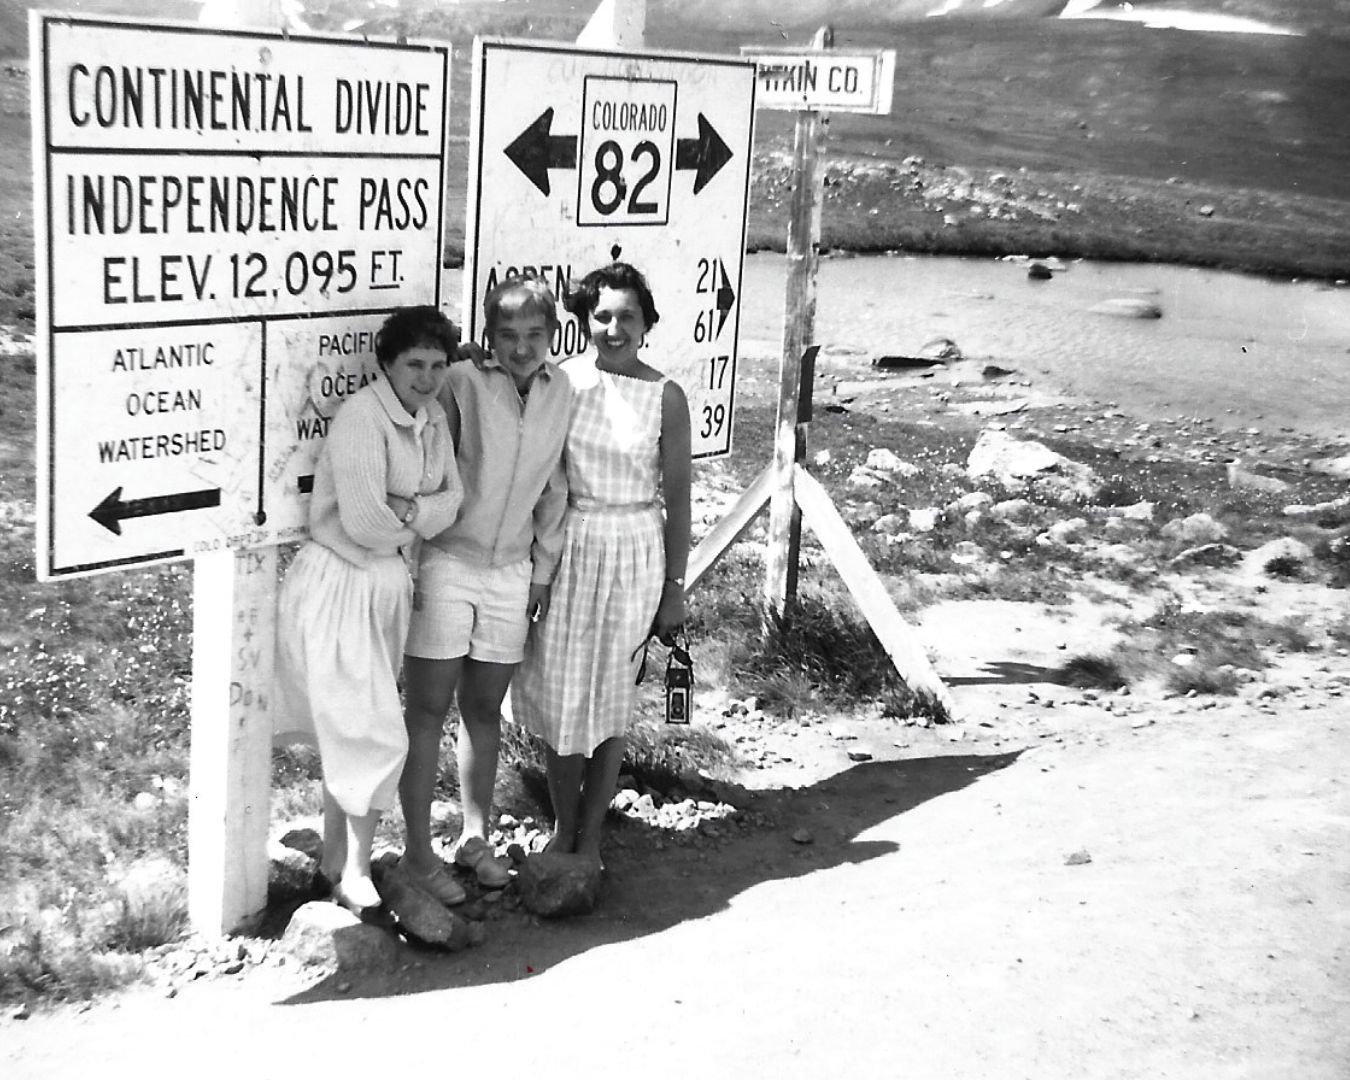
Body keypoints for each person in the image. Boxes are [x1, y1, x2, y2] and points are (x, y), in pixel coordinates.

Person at [274, 305, 463, 918]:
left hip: (386, 583)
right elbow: (361, 521)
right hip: (341, 581)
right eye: (415, 364)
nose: (428, 377)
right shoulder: (361, 418)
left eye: (438, 364)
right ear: (388, 363)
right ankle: (356, 874)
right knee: (374, 728)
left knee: (357, 725)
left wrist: (405, 511)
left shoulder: (432, 419)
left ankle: (333, 861)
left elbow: (453, 501)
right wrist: (415, 515)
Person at [398, 275, 572, 903]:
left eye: (534, 334)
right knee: (425, 711)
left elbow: (556, 491)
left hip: (512, 573)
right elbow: (425, 449)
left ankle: (475, 838)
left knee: (482, 711)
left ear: (553, 335)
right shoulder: (464, 381)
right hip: (448, 561)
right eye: (507, 334)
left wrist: (543, 572)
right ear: (489, 337)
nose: (521, 347)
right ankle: (418, 856)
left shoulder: (563, 391)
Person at [512, 261, 691, 870]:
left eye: (627, 317)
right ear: (586, 320)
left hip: (636, 545)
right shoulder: (562, 382)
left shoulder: (666, 395)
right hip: (572, 543)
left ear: (646, 323)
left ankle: (591, 837)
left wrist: (673, 589)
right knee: (563, 695)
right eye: (602, 316)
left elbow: (679, 500)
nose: (614, 328)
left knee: (612, 698)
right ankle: (563, 827)